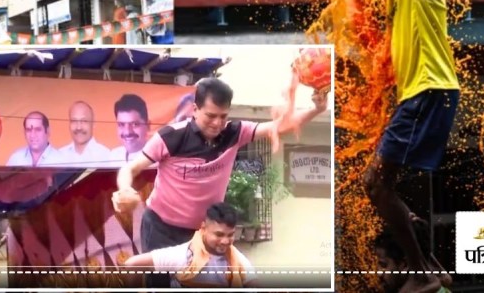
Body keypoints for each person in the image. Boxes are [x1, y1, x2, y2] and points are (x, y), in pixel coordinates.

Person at [289, 0, 461, 293]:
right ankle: (431, 264)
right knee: (386, 185)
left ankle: (421, 272)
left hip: (429, 90)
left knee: (375, 184)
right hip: (421, 93)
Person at [113, 76, 326, 284]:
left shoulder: (235, 133)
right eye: (211, 116)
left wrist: (316, 109)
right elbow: (130, 168)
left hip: (202, 233)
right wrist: (124, 190)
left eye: (223, 116)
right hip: (162, 227)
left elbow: (279, 127)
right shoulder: (171, 137)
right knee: (160, 286)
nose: (217, 123)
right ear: (195, 109)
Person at [124, 202, 256, 288]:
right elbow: (132, 265)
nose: (225, 241)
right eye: (219, 235)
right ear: (203, 228)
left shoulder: (237, 260)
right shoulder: (184, 255)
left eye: (230, 235)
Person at [56, 101, 111, 167]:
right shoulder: (60, 156)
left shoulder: (105, 156)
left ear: (93, 123)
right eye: (74, 121)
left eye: (84, 121)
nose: (79, 127)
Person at [108, 94, 150, 165]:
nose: (127, 132)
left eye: (134, 124)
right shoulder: (113, 156)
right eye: (121, 124)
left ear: (148, 126)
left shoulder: (159, 159)